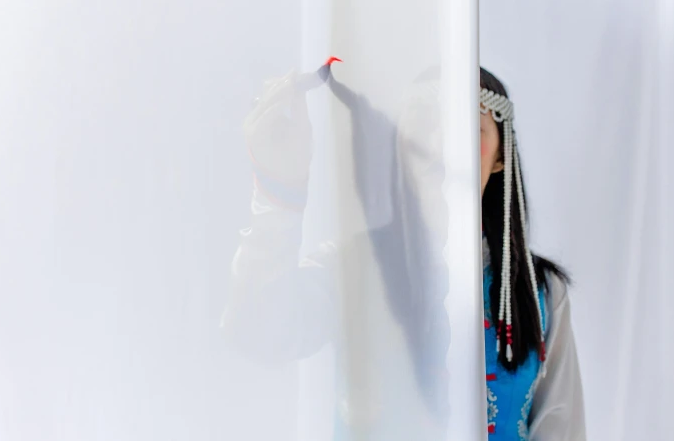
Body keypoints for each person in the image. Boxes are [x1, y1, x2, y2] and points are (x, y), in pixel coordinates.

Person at [222, 64, 586, 440]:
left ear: (500, 156)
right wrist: (279, 195)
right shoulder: (357, 268)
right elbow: (257, 330)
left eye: (465, 130)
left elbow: (562, 429)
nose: (443, 145)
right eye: (425, 126)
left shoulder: (541, 292)